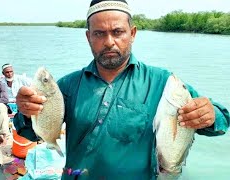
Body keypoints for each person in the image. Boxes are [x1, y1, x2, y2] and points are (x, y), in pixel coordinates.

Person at [13, 0, 230, 179]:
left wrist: (210, 115)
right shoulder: (68, 85)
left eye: (118, 32)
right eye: (99, 33)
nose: (109, 42)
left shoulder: (163, 82)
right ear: (88, 37)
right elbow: (30, 133)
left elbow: (221, 121)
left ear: (132, 33)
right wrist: (26, 111)